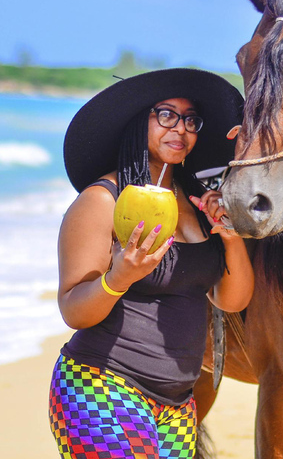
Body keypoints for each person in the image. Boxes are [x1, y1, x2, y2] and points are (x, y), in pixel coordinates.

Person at [49, 68, 254, 459]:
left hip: (177, 405)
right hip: (100, 386)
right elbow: (73, 309)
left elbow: (233, 301)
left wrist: (230, 237)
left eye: (191, 119)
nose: (180, 128)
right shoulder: (103, 201)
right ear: (138, 120)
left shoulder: (198, 203)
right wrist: (120, 276)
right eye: (166, 115)